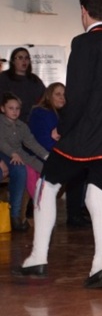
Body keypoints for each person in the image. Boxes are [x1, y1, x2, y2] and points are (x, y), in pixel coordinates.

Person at [17, 0, 102, 289]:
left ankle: (38, 257)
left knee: (47, 185)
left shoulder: (83, 43)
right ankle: (101, 265)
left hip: (84, 136)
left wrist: (64, 127)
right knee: (96, 195)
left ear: (84, 11)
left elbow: (78, 93)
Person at [29, 83, 81, 226]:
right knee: (75, 171)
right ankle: (74, 214)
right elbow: (43, 140)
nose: (62, 98)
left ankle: (77, 213)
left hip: (60, 152)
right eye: (58, 94)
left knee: (81, 169)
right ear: (49, 95)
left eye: (64, 95)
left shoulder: (65, 114)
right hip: (43, 154)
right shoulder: (41, 113)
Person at [0, 93, 49, 231]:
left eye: (17, 108)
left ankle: (19, 215)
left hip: (17, 155)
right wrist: (12, 153)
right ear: (3, 109)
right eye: (11, 108)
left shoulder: (21, 126)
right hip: (4, 154)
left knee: (39, 169)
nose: (15, 112)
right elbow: (1, 142)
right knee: (19, 169)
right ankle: (15, 214)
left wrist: (46, 156)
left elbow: (32, 143)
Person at [0, 47, 46, 122]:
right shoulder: (4, 78)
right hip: (9, 121)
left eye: (27, 58)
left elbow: (44, 98)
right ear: (13, 61)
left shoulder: (34, 79)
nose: (24, 61)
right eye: (20, 58)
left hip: (32, 120)